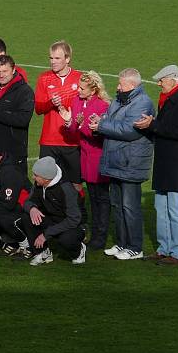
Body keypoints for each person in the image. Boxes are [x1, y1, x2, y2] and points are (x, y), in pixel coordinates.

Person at [133, 65, 178, 265]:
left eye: (162, 80)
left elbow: (177, 131)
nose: (159, 83)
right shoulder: (170, 100)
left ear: (174, 80)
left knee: (176, 209)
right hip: (166, 163)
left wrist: (152, 124)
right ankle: (164, 248)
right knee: (161, 207)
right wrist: (151, 125)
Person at [92, 68, 154, 261]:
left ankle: (135, 247)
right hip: (116, 160)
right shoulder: (120, 99)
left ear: (133, 85)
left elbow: (130, 130)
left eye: (121, 84)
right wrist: (100, 121)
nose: (118, 87)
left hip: (130, 162)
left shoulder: (143, 103)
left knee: (130, 206)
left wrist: (102, 126)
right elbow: (111, 121)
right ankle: (122, 243)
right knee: (117, 204)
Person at [58, 71, 111, 250]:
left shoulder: (103, 106)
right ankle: (96, 233)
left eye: (82, 88)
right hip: (86, 156)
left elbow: (100, 134)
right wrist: (70, 124)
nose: (78, 91)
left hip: (98, 157)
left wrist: (79, 125)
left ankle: (100, 235)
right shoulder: (77, 101)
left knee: (101, 198)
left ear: (93, 89)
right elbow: (74, 131)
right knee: (93, 197)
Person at [34, 41, 83, 215]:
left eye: (57, 58)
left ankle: (79, 221)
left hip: (72, 141)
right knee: (42, 180)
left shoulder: (80, 78)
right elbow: (38, 108)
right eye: (51, 58)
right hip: (49, 140)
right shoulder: (44, 78)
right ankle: (44, 220)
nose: (53, 61)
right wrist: (50, 103)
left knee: (76, 184)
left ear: (67, 59)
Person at [21, 157, 86, 266]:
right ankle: (42, 252)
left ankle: (79, 250)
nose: (33, 177)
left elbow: (74, 219)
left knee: (67, 239)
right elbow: (27, 202)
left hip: (73, 225)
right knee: (26, 216)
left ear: (46, 179)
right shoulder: (39, 184)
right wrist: (32, 208)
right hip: (52, 219)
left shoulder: (66, 189)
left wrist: (46, 234)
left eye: (36, 176)